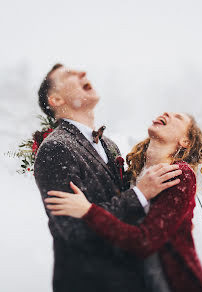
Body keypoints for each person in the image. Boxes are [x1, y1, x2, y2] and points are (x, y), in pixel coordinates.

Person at [34, 64, 181, 292]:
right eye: (68, 75)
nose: (82, 72)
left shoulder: (109, 144)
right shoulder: (55, 148)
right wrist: (140, 193)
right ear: (56, 100)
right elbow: (75, 231)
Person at [46, 112, 202, 292]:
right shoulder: (134, 172)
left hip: (170, 281)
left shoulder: (179, 174)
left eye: (178, 117)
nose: (166, 114)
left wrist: (88, 211)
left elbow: (144, 241)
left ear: (185, 141)